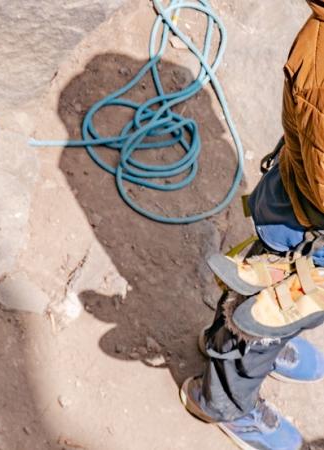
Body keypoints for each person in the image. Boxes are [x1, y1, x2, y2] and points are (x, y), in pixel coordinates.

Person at [180, 2, 324, 450]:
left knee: (265, 299)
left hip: (301, 209)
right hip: (306, 221)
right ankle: (223, 402)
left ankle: (234, 343)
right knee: (267, 308)